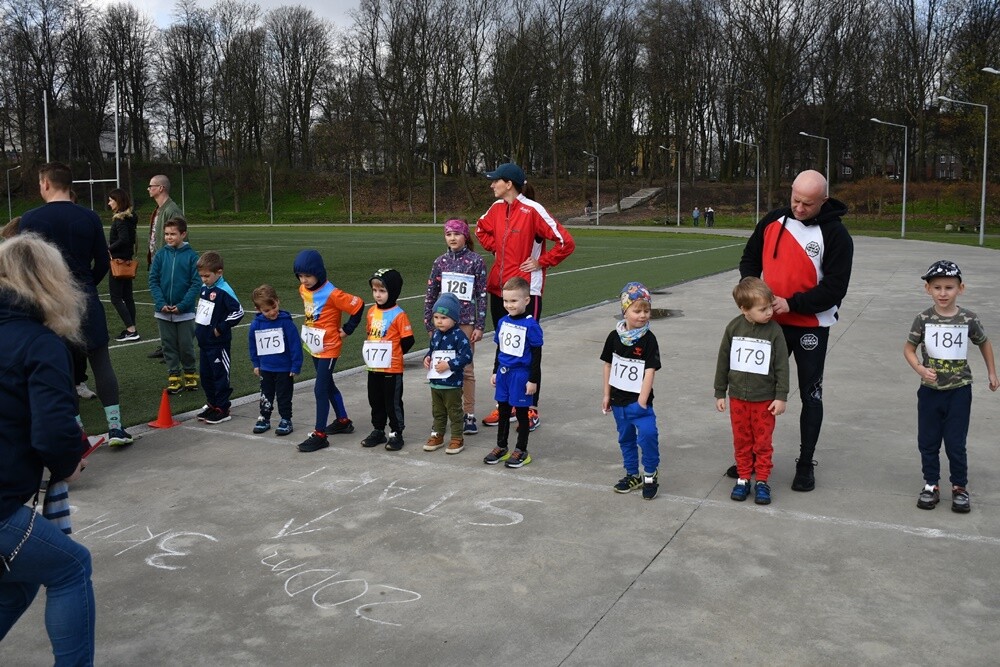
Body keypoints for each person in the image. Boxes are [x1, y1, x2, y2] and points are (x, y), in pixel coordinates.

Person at [0, 234, 95, 665]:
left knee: (17, 581)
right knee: (70, 567)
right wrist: (69, 464)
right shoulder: (40, 343)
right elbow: (54, 432)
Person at [737, 169, 853, 492]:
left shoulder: (836, 235)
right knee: (757, 393)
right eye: (795, 200)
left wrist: (793, 304)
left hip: (810, 327)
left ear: (824, 201)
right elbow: (749, 259)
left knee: (810, 395)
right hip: (768, 324)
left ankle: (805, 462)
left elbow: (835, 289)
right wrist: (753, 292)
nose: (799, 208)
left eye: (807, 204)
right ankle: (752, 457)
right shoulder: (773, 221)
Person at [19, 162, 134, 447]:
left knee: (64, 370)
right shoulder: (89, 216)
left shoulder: (30, 219)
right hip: (85, 297)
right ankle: (116, 428)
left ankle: (79, 435)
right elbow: (103, 260)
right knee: (101, 361)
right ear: (70, 185)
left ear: (46, 183)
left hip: (52, 303)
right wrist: (86, 285)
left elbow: (25, 268)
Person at [476, 163, 574, 431]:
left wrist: (542, 262)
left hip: (526, 290)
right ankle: (505, 405)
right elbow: (480, 229)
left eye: (495, 180)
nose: (491, 184)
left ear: (509, 183)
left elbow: (565, 242)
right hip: (499, 289)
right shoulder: (496, 209)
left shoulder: (533, 210)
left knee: (528, 348)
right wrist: (497, 249)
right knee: (504, 345)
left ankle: (530, 408)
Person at [904, 260, 999, 513]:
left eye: (949, 287)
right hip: (930, 390)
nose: (943, 293)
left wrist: (992, 372)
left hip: (959, 390)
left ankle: (959, 487)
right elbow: (909, 348)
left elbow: (984, 342)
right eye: (937, 288)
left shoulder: (968, 318)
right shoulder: (923, 319)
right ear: (928, 289)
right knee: (928, 440)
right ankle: (930, 484)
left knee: (956, 442)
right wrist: (920, 369)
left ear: (961, 288)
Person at [714, 277, 790, 505]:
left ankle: (762, 480)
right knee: (742, 439)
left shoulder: (775, 331)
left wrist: (781, 396)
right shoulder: (733, 328)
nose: (769, 312)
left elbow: (782, 365)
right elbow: (723, 361)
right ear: (744, 309)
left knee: (763, 441)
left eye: (770, 307)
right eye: (762, 309)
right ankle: (744, 477)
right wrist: (720, 391)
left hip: (764, 400)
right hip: (738, 397)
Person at [293, 249, 364, 453]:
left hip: (330, 347)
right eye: (300, 276)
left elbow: (358, 305)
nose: (304, 280)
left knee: (320, 388)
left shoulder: (333, 294)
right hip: (314, 345)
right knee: (328, 384)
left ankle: (320, 434)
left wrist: (348, 329)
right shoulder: (303, 289)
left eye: (308, 275)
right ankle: (343, 421)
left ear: (318, 272)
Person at [423, 219, 486, 435]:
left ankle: (468, 414)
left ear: (465, 236)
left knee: (466, 369)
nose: (452, 238)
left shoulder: (476, 261)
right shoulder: (439, 262)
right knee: (440, 367)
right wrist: (429, 321)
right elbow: (431, 293)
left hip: (466, 322)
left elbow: (481, 295)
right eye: (448, 234)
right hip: (442, 323)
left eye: (457, 234)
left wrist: (479, 325)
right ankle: (445, 414)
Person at [601, 282, 662, 500]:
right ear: (625, 311)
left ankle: (650, 473)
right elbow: (608, 365)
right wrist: (606, 394)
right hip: (618, 402)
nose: (643, 315)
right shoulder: (614, 337)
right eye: (637, 311)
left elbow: (650, 371)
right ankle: (632, 474)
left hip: (639, 403)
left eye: (647, 310)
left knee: (648, 436)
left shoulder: (649, 340)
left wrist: (642, 401)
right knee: (625, 438)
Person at [483, 277, 543, 468]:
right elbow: (499, 349)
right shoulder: (503, 322)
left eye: (514, 301)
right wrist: (495, 371)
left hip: (521, 374)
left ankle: (521, 450)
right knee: (503, 411)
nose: (509, 305)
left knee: (522, 413)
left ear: (526, 300)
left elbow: (536, 355)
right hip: (504, 374)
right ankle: (501, 446)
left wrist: (533, 379)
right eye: (506, 300)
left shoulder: (531, 325)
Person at [361, 268, 414, 451]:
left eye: (382, 291)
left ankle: (396, 432)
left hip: (391, 368)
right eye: (375, 290)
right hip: (374, 367)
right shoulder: (371, 312)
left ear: (393, 291)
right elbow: (369, 334)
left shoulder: (399, 314)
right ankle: (378, 429)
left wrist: (394, 355)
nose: (378, 295)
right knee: (375, 399)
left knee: (392, 402)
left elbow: (408, 340)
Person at [148, 217, 201, 396]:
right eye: (166, 234)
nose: (169, 237)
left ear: (183, 234)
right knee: (168, 345)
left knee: (186, 345)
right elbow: (153, 281)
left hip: (185, 313)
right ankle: (174, 375)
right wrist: (161, 303)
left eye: (173, 234)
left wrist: (183, 305)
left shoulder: (192, 256)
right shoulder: (161, 255)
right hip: (163, 312)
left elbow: (196, 284)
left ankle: (190, 373)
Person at [194, 251, 244, 425]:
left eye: (207, 276)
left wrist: (220, 328)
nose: (204, 279)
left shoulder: (224, 290)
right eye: (201, 276)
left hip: (218, 344)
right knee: (206, 376)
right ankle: (212, 404)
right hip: (204, 342)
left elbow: (238, 312)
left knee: (220, 375)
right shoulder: (205, 288)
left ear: (219, 272)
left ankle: (223, 408)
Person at [248, 284, 302, 437]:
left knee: (284, 395)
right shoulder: (256, 324)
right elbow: (253, 345)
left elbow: (295, 345)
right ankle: (264, 417)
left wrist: (295, 365)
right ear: (258, 310)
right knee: (266, 394)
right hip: (265, 367)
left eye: (274, 307)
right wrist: (256, 364)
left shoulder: (286, 323)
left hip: (284, 368)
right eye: (267, 310)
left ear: (278, 301)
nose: (272, 312)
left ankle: (286, 419)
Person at [423, 293, 474, 454]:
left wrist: (450, 365)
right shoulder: (436, 335)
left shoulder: (459, 336)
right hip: (436, 383)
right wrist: (427, 358)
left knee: (454, 411)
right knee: (438, 412)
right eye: (436, 317)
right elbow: (432, 351)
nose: (439, 321)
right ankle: (437, 435)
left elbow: (467, 356)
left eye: (444, 318)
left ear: (454, 319)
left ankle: (457, 438)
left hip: (452, 384)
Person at [145, 174, 183, 360]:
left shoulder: (171, 210)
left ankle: (174, 348)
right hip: (159, 264)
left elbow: (179, 238)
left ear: (161, 188)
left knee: (172, 306)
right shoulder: (160, 210)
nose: (148, 189)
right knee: (162, 306)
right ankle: (167, 345)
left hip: (169, 266)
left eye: (151, 186)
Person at [107, 188, 140, 342]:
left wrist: (109, 248)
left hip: (118, 262)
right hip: (127, 260)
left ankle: (131, 329)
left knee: (116, 298)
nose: (109, 203)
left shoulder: (120, 219)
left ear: (118, 201)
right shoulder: (130, 218)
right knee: (128, 297)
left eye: (111, 200)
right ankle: (132, 328)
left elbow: (124, 239)